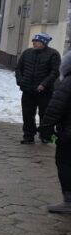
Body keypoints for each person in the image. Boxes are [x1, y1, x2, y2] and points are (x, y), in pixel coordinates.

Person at [15, 33, 62, 143]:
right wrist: (20, 82)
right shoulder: (27, 53)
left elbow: (55, 72)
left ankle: (45, 135)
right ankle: (28, 135)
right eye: (33, 41)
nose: (34, 43)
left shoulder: (53, 54)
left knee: (44, 114)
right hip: (28, 90)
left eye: (37, 41)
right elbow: (18, 69)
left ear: (44, 43)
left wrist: (43, 84)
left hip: (45, 91)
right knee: (27, 114)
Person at [39, 51, 71, 213]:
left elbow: (55, 108)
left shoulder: (67, 83)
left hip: (68, 135)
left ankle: (69, 201)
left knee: (65, 163)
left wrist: (46, 129)